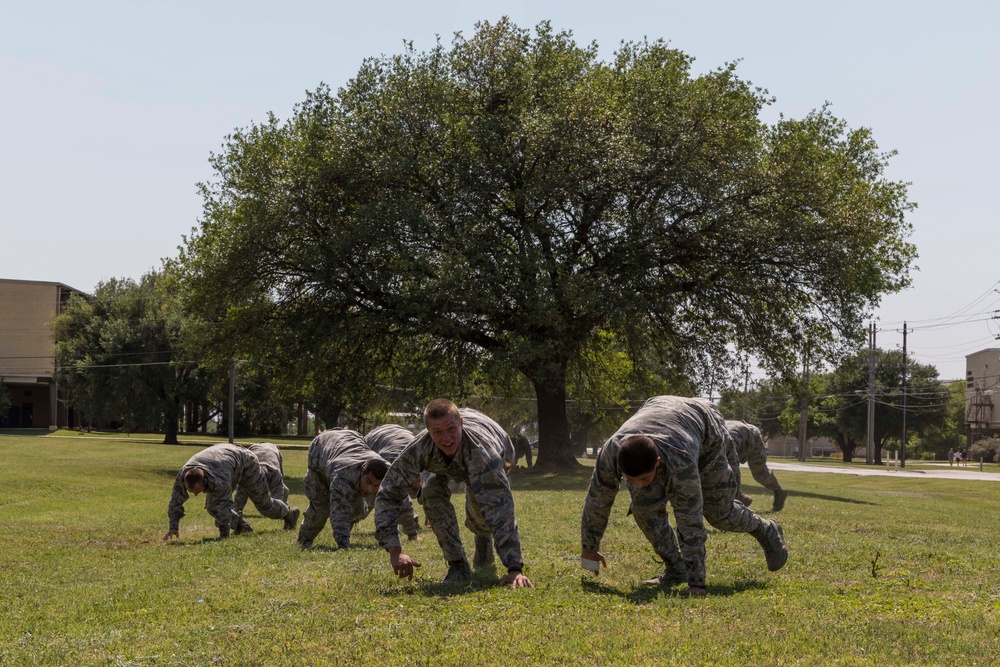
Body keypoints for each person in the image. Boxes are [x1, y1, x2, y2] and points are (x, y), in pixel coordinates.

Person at [580, 396, 787, 596]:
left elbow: (690, 520)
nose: (638, 485)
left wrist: (697, 582)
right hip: (661, 410)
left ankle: (766, 529)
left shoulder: (679, 461)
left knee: (720, 513)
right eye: (631, 480)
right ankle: (675, 568)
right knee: (643, 508)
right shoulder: (610, 453)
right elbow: (598, 499)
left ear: (658, 462)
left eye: (644, 478)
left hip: (705, 429)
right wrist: (590, 548)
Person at [374, 399, 532, 588]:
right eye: (437, 432)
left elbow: (501, 509)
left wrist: (514, 568)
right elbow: (388, 493)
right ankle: (457, 565)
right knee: (430, 491)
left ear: (461, 424)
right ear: (429, 432)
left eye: (451, 429)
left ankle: (482, 536)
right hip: (443, 464)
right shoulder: (420, 448)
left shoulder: (483, 455)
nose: (446, 438)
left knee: (482, 510)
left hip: (498, 444)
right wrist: (394, 550)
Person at [163, 442, 299, 541]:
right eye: (191, 492)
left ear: (205, 480)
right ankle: (242, 527)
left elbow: (225, 506)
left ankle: (289, 514)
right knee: (211, 506)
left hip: (246, 462)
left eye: (199, 491)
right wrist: (173, 527)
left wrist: (224, 536)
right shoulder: (183, 476)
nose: (196, 495)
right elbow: (175, 502)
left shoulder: (220, 479)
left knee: (264, 505)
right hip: (224, 458)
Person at [296, 428, 390, 549]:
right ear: (362, 471)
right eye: (368, 482)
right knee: (321, 508)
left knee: (357, 509)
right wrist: (344, 547)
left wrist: (405, 535)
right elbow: (339, 512)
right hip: (320, 450)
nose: (370, 489)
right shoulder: (343, 476)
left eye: (376, 485)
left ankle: (347, 528)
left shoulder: (390, 474)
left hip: (350, 438)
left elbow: (399, 502)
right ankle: (303, 541)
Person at [364, 424, 422, 540]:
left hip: (398, 445)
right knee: (381, 494)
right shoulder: (393, 463)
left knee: (394, 494)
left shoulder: (419, 457)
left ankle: (409, 523)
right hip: (383, 450)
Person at [725, 420, 788, 512]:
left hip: (752, 437)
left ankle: (779, 491)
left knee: (760, 473)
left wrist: (737, 495)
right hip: (738, 440)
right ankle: (739, 497)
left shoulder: (721, 441)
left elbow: (733, 467)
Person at [232, 442, 291, 534]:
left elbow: (278, 497)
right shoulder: (249, 475)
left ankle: (290, 515)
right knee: (243, 492)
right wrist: (237, 515)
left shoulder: (275, 474)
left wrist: (274, 509)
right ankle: (241, 526)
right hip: (254, 448)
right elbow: (240, 498)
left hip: (273, 450)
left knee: (281, 488)